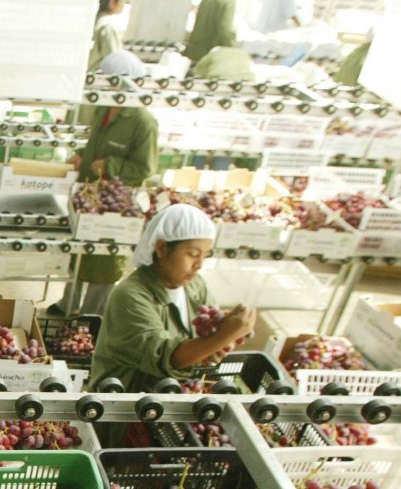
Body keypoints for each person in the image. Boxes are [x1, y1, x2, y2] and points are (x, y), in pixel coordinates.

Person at [90, 204, 256, 446]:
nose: (199, 264)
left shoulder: (193, 285)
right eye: (192, 254)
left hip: (164, 403)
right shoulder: (131, 295)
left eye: (205, 255)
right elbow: (170, 356)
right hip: (124, 409)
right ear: (161, 248)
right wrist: (220, 338)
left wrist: (220, 341)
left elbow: (206, 336)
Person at [51, 50, 157, 317]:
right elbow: (94, 144)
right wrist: (82, 155)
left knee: (104, 261)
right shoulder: (105, 108)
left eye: (111, 83)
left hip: (114, 207)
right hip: (89, 197)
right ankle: (68, 306)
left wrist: (110, 165)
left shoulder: (143, 123)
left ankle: (90, 317)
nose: (107, 88)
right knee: (79, 255)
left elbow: (144, 169)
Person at [89, 0, 126, 71]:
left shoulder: (93, 22)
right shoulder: (106, 26)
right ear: (112, 2)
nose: (123, 4)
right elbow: (115, 60)